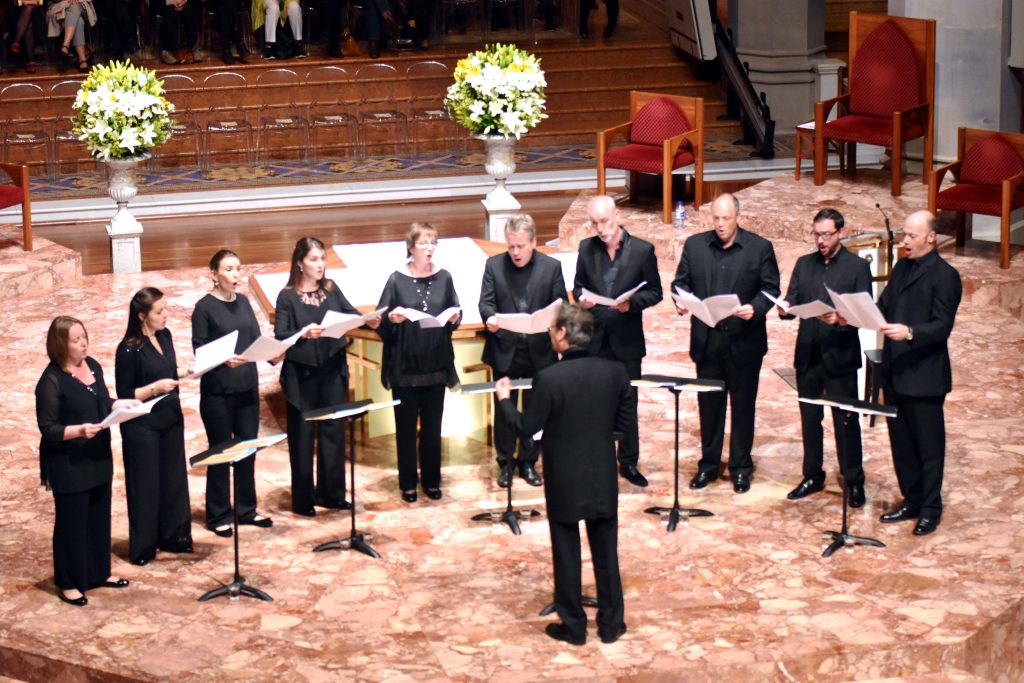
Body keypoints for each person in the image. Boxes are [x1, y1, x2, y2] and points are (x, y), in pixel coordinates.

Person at [496, 304, 630, 646]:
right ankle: (612, 624)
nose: (550, 333)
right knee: (606, 550)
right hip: (601, 472)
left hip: (564, 476)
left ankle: (574, 626)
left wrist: (506, 401)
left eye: (552, 328)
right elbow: (623, 425)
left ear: (563, 334)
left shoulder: (550, 378)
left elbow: (528, 428)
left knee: (566, 550)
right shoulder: (615, 372)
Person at [672, 193, 780, 494]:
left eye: (726, 219)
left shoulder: (760, 248)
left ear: (738, 217)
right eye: (716, 219)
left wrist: (755, 309)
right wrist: (681, 301)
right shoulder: (695, 245)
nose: (720, 225)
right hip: (707, 341)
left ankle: (741, 467)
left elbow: (770, 289)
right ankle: (708, 464)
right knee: (709, 406)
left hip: (744, 341)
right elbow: (680, 283)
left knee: (743, 407)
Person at [35, 316, 137, 606]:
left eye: (84, 337)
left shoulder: (93, 366)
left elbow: (101, 402)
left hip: (97, 455)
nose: (84, 343)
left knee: (97, 516)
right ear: (60, 345)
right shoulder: (51, 381)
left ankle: (97, 572)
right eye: (76, 340)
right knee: (72, 522)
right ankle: (69, 581)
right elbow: (48, 428)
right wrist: (78, 431)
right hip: (69, 461)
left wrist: (119, 404)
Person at [274, 237, 380, 517]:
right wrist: (303, 333)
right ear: (300, 263)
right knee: (303, 437)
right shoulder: (287, 296)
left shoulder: (331, 289)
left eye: (322, 259)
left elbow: (351, 315)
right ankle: (304, 499)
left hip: (331, 370)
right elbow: (282, 336)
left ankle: (331, 494)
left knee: (333, 432)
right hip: (302, 375)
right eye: (313, 259)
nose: (320, 265)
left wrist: (367, 319)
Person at [776, 208, 872, 506]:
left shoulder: (857, 267)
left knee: (846, 420)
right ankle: (812, 475)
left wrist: (842, 318)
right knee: (810, 419)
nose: (821, 240)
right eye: (817, 234)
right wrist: (784, 308)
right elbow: (792, 300)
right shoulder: (804, 264)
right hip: (808, 355)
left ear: (840, 233)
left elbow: (865, 314)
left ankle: (853, 479)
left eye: (826, 235)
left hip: (840, 354)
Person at [877, 210, 962, 536]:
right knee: (901, 443)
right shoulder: (901, 267)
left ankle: (930, 507)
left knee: (928, 446)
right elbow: (884, 306)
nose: (904, 241)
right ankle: (911, 499)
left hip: (924, 375)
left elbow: (942, 326)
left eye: (911, 236)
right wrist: (854, 312)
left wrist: (910, 332)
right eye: (903, 235)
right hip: (896, 369)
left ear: (931, 237)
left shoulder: (945, 276)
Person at [573, 194, 662, 488]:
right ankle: (595, 461)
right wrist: (582, 301)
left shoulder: (642, 251)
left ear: (617, 215)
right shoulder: (587, 248)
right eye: (595, 223)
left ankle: (629, 462)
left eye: (605, 221)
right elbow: (578, 287)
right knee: (594, 404)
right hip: (594, 341)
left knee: (627, 403)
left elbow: (655, 292)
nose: (600, 228)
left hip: (625, 340)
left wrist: (630, 304)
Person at [479, 213, 568, 488]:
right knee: (504, 412)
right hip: (505, 349)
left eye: (520, 246)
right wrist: (490, 319)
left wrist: (552, 321)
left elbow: (562, 303)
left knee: (535, 412)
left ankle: (529, 462)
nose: (515, 252)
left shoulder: (551, 267)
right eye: (511, 246)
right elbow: (486, 303)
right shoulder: (494, 266)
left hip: (539, 352)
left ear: (533, 242)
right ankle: (505, 464)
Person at [376, 223, 461, 503]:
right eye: (424, 243)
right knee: (406, 429)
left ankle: (432, 480)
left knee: (433, 429)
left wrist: (454, 318)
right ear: (411, 247)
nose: (429, 248)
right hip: (405, 365)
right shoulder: (396, 279)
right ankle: (408, 482)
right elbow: (382, 321)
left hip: (435, 363)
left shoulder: (445, 277)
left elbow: (455, 312)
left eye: (433, 242)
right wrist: (392, 318)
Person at [192, 250, 272, 537]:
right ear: (214, 273)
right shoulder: (204, 308)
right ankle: (218, 515)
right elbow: (200, 350)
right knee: (222, 452)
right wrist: (223, 358)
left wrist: (271, 353)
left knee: (247, 451)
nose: (236, 274)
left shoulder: (245, 303)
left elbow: (253, 338)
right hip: (219, 392)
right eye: (229, 269)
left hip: (246, 388)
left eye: (238, 269)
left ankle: (246, 509)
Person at [115, 287, 193, 566]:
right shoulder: (128, 349)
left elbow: (167, 371)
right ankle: (144, 546)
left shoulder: (166, 336)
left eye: (165, 309)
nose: (165, 316)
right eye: (159, 312)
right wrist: (153, 388)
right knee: (146, 486)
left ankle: (174, 536)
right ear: (141, 316)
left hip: (170, 418)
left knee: (172, 480)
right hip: (143, 426)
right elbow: (124, 394)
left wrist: (182, 372)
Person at [46, 0, 97, 72]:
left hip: (82, 4)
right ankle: (82, 59)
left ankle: (65, 45)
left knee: (75, 6)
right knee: (78, 20)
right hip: (59, 6)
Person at [153, 0, 201, 65]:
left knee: (190, 10)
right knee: (169, 12)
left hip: (184, 3)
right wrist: (172, 2)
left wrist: (183, 1)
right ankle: (168, 51)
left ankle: (192, 48)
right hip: (165, 4)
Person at [9, 1, 40, 73]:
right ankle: (31, 61)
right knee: (28, 24)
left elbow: (41, 2)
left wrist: (28, 2)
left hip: (36, 14)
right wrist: (21, 3)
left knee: (29, 11)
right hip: (16, 14)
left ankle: (16, 43)